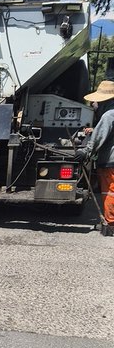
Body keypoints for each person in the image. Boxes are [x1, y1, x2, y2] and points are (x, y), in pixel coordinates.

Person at [76, 78, 114, 235]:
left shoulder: (109, 114)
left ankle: (111, 224)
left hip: (111, 161)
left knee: (110, 192)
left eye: (97, 102)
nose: (94, 105)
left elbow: (100, 137)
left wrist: (86, 151)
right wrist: (95, 129)